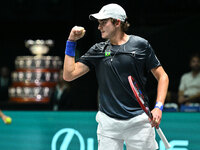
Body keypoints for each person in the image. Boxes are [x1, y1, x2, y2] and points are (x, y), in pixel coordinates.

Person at [63, 3, 169, 150]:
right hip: (108, 123)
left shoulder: (140, 45)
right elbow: (69, 75)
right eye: (99, 23)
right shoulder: (98, 50)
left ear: (117, 22)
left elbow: (163, 76)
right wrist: (71, 41)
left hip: (138, 122)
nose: (99, 27)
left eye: (103, 22)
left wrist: (158, 107)